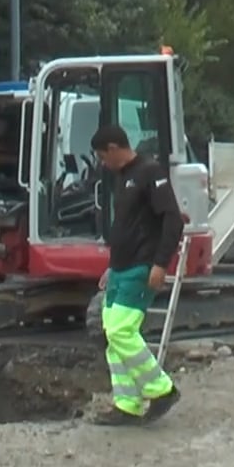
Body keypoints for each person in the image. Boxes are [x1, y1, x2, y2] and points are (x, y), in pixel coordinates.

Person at [89, 124, 182, 426]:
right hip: (121, 267)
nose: (103, 163)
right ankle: (127, 403)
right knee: (111, 333)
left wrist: (160, 263)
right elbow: (128, 224)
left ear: (114, 148)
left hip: (141, 266)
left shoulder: (149, 172)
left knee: (121, 331)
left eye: (103, 156)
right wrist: (112, 265)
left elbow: (172, 219)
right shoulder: (123, 177)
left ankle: (161, 389)